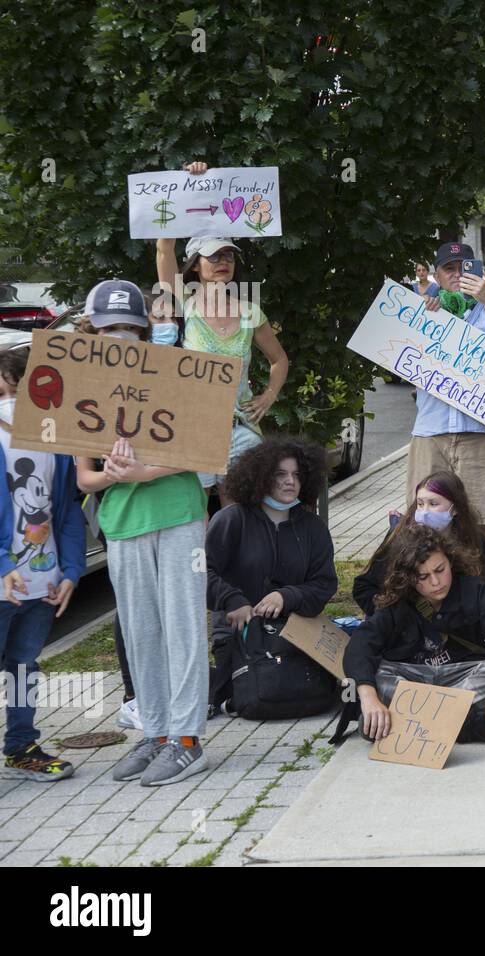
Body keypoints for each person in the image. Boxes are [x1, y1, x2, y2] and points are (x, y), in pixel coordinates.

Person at [73, 280, 210, 787]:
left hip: (178, 515)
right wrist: (112, 477)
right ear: (93, 331)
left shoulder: (172, 376)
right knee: (140, 632)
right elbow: (84, 477)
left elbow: (201, 450)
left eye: (131, 327)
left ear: (146, 328)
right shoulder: (82, 387)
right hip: (123, 524)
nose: (121, 337)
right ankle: (155, 734)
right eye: (110, 329)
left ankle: (188, 739)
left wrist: (141, 472)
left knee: (183, 627)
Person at [155, 161, 289, 506]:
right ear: (195, 265)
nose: (222, 260)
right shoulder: (183, 302)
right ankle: (203, 563)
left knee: (241, 514)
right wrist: (186, 185)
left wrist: (268, 396)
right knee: (195, 515)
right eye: (212, 255)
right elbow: (163, 249)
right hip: (195, 428)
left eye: (228, 254)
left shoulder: (249, 311)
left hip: (241, 430)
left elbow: (279, 360)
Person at [343, 525, 485, 744]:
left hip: (460, 676)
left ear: (451, 561)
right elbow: (360, 645)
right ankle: (465, 726)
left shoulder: (473, 589)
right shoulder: (396, 599)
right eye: (423, 577)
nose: (436, 582)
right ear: (408, 577)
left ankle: (404, 723)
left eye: (440, 570)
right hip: (411, 678)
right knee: (374, 675)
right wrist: (369, 698)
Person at [0, 347, 85, 781]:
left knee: (23, 666)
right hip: (3, 583)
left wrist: (71, 571)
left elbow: (68, 509)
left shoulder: (57, 440)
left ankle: (21, 745)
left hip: (41, 583)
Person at [205, 440, 339, 715]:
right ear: (261, 477)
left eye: (297, 475)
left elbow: (324, 583)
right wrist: (234, 601)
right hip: (238, 633)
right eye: (280, 474)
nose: (290, 481)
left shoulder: (313, 528)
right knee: (254, 693)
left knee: (300, 692)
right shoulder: (232, 519)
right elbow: (200, 573)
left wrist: (287, 596)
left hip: (293, 631)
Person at [405, 241, 485, 546]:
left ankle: (482, 591)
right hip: (432, 432)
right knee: (425, 523)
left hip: (481, 432)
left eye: (465, 268)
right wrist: (428, 317)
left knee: (478, 524)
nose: (457, 275)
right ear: (436, 275)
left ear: (479, 272)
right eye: (449, 269)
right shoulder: (421, 309)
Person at [354, 470, 485, 618]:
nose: (424, 511)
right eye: (420, 504)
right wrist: (395, 620)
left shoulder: (475, 541)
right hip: (408, 633)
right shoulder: (400, 540)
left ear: (455, 509)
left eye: (433, 504)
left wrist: (478, 623)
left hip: (463, 632)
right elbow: (364, 588)